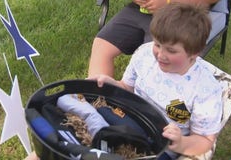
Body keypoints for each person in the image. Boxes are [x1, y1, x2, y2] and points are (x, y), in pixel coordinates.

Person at [88, 3, 223, 159]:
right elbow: (127, 87)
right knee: (84, 117)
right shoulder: (145, 54)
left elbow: (204, 140)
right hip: (128, 120)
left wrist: (181, 143)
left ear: (195, 52)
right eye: (158, 44)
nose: (160, 55)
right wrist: (112, 84)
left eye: (171, 50)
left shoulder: (205, 89)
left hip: (160, 146)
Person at [88, 0, 220, 77]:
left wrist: (168, 3)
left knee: (158, 60)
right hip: (141, 10)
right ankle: (100, 103)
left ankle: (144, 113)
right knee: (102, 45)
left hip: (180, 15)